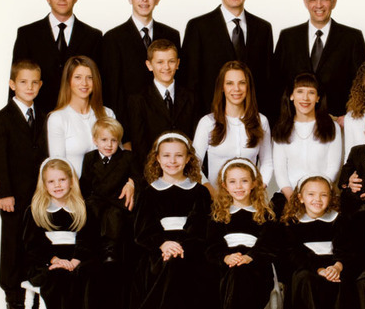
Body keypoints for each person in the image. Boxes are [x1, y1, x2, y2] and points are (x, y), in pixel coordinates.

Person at [128, 132, 216, 309]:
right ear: (157, 158)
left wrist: (179, 246)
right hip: (157, 251)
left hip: (191, 249)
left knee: (180, 262)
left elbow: (200, 227)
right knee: (169, 263)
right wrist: (163, 244)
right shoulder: (149, 192)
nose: (172, 161)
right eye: (166, 156)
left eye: (178, 156)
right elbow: (143, 230)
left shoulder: (199, 192)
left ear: (188, 159)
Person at [23, 158, 121, 309]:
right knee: (58, 275)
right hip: (47, 261)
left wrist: (75, 261)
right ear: (44, 185)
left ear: (71, 181)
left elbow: (89, 240)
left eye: (62, 180)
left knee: (90, 272)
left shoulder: (82, 209)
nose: (57, 185)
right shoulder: (35, 211)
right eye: (51, 181)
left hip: (76, 258)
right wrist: (54, 260)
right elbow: (33, 245)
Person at [197, 158, 278, 309]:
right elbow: (211, 247)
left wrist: (251, 257)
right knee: (229, 272)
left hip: (255, 267)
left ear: (254, 183)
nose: (239, 186)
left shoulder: (265, 214)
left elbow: (270, 245)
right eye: (233, 182)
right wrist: (225, 257)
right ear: (225, 186)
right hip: (225, 265)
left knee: (240, 272)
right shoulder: (218, 215)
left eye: (244, 181)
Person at [0, 60, 48, 309]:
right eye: (23, 82)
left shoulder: (44, 115)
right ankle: (12, 293)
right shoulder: (2, 120)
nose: (29, 87)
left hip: (38, 194)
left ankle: (32, 290)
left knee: (34, 242)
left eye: (35, 82)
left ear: (41, 85)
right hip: (13, 194)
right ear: (12, 84)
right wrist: (4, 193)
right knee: (12, 242)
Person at [181, 0, 273, 114]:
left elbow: (268, 81)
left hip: (253, 119)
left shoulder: (263, 28)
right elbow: (190, 82)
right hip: (211, 117)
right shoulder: (198, 27)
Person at [273, 0, 365, 122]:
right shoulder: (288, 37)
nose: (318, 5)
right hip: (294, 123)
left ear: (334, 2)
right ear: (305, 2)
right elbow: (278, 84)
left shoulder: (352, 38)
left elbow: (360, 85)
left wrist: (349, 118)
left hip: (337, 122)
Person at [12, 0, 102, 114]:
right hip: (38, 118)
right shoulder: (27, 34)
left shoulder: (93, 36)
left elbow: (98, 84)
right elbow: (16, 80)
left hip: (79, 117)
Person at [281, 175, 359, 309]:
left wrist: (337, 267)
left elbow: (348, 249)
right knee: (304, 278)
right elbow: (295, 254)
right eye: (311, 194)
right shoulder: (292, 223)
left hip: (335, 264)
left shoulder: (339, 220)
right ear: (301, 198)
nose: (317, 199)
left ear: (330, 198)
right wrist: (319, 269)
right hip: (308, 266)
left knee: (342, 279)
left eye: (323, 195)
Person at [101, 0, 181, 133]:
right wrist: (124, 136)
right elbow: (113, 91)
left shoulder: (172, 35)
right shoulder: (113, 38)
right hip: (130, 125)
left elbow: (178, 82)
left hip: (166, 121)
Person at [192, 61, 273, 193]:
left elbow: (267, 162)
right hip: (216, 200)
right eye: (230, 83)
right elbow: (194, 165)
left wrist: (257, 190)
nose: (236, 89)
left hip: (249, 199)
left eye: (242, 83)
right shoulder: (207, 122)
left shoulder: (261, 121)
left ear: (248, 86)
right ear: (222, 87)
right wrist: (210, 192)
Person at [272, 73, 342, 215]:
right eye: (300, 91)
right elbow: (280, 171)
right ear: (291, 96)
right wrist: (295, 200)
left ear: (318, 98)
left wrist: (316, 198)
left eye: (311, 93)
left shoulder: (331, 127)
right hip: (290, 196)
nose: (305, 98)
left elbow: (333, 168)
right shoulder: (281, 128)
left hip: (322, 197)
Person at [127, 39, 200, 168]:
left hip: (185, 169)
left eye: (171, 61)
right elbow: (139, 144)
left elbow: (195, 138)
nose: (166, 67)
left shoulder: (191, 97)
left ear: (177, 63)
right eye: (160, 62)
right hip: (151, 171)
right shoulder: (138, 100)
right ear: (149, 65)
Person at [80, 117, 141, 262]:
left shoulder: (126, 157)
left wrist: (132, 183)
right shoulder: (90, 158)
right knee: (91, 211)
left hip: (117, 201)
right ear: (95, 140)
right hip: (97, 201)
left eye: (113, 140)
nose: (109, 145)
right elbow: (85, 182)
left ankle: (110, 249)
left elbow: (139, 176)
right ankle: (90, 249)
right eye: (104, 140)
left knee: (114, 214)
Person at [47, 55, 115, 177]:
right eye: (78, 77)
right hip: (74, 191)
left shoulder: (107, 114)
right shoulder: (57, 118)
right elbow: (58, 167)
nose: (84, 83)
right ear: (68, 81)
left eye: (90, 78)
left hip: (109, 190)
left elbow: (119, 158)